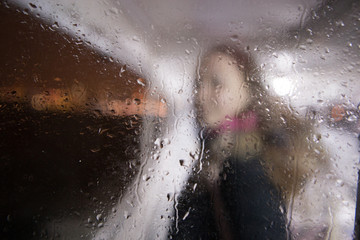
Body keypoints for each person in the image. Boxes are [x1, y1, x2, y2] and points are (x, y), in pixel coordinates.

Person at [171, 45, 326, 239]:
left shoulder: (244, 167)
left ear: (249, 92)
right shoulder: (222, 152)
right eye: (198, 83)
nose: (200, 94)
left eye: (216, 83)